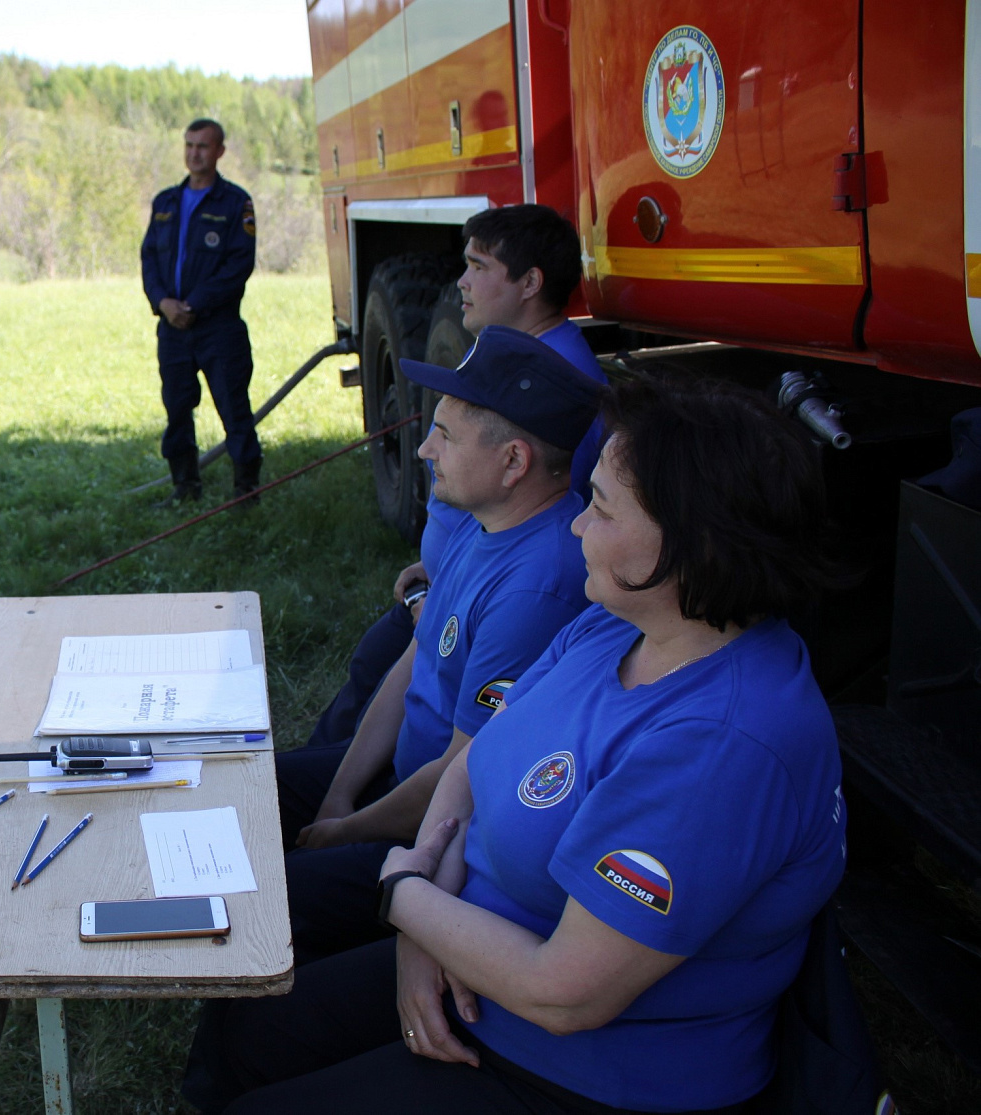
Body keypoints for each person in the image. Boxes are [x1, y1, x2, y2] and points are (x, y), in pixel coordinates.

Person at [185, 374, 847, 1114]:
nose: (573, 526)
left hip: (583, 1069)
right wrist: (421, 929)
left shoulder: (725, 744)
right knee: (249, 1023)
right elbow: (480, 759)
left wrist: (404, 894)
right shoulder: (620, 621)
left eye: (599, 506)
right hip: (473, 956)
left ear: (691, 543)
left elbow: (565, 993)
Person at [274, 327, 600, 965]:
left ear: (513, 462)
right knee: (249, 791)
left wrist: (348, 830)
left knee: (271, 895)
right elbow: (416, 659)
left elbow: (461, 773)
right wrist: (340, 792)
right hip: (399, 777)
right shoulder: (489, 524)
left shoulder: (539, 586)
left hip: (434, 830)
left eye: (444, 436)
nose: (423, 449)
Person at [300, 204, 604, 756]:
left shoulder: (560, 384)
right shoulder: (507, 348)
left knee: (372, 709)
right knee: (367, 677)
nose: (460, 281)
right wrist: (440, 564)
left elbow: (536, 512)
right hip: (451, 588)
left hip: (466, 612)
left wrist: (445, 589)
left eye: (478, 266)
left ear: (531, 282)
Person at [141, 119, 260, 503]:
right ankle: (185, 487)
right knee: (176, 409)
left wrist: (193, 305)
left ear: (220, 151)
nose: (195, 153)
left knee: (233, 408)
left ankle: (246, 491)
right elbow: (149, 261)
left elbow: (238, 265)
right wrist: (163, 303)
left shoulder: (235, 203)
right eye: (189, 145)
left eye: (203, 146)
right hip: (172, 328)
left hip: (217, 328)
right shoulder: (166, 202)